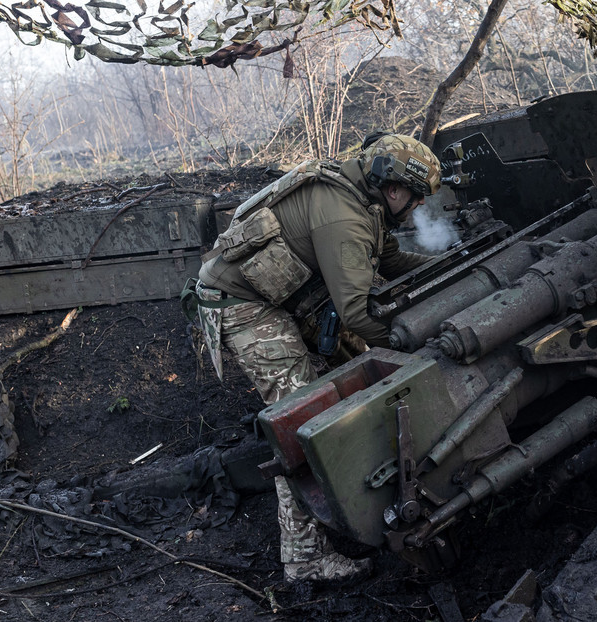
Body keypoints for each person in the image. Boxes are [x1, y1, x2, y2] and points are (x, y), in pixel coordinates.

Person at [187, 133, 441, 582]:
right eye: (417, 199)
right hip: (240, 305)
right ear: (396, 189)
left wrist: (444, 264)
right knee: (304, 423)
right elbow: (358, 311)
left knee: (338, 383)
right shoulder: (344, 217)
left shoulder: (363, 197)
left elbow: (390, 259)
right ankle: (305, 558)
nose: (419, 208)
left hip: (273, 297)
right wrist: (415, 338)